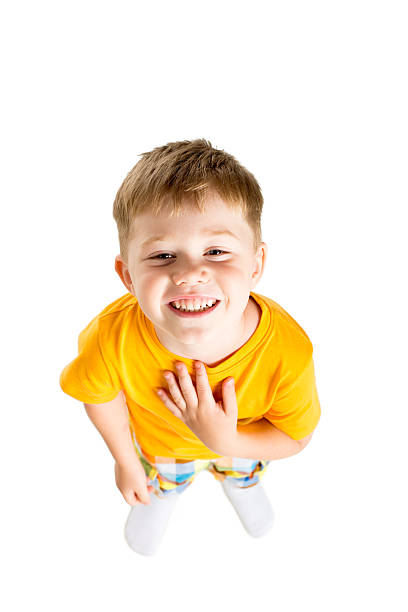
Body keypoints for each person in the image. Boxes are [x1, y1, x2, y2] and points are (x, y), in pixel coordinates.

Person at [59, 138, 321, 556]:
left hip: (242, 446)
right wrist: (125, 460)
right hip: (162, 450)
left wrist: (226, 441)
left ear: (255, 265)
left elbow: (295, 436)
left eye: (216, 251)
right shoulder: (112, 335)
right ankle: (165, 492)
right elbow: (100, 396)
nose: (191, 273)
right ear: (127, 277)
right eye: (163, 255)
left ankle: (241, 485)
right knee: (162, 481)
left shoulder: (286, 352)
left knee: (242, 473)